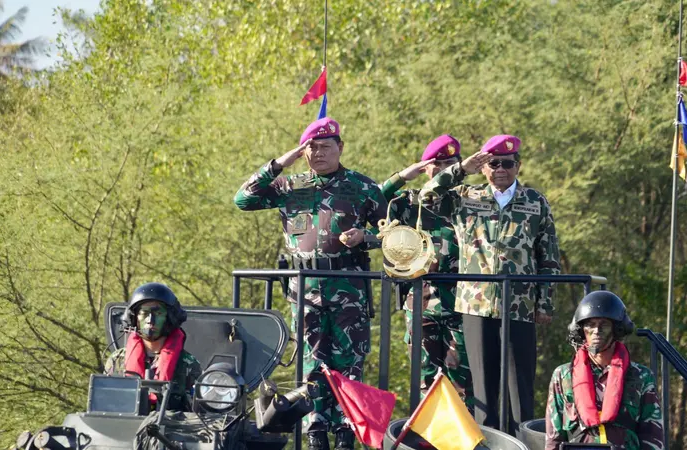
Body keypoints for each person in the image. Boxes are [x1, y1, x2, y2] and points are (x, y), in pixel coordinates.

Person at [234, 117, 386, 450]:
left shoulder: (363, 188)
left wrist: (367, 237)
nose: (318, 153)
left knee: (350, 359)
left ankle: (347, 427)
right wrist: (281, 162)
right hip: (305, 289)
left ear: (340, 148)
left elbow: (396, 234)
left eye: (325, 146)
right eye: (311, 148)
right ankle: (316, 425)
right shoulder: (291, 186)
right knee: (311, 361)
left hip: (349, 288)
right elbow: (243, 199)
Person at [421, 134, 561, 433]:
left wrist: (545, 303)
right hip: (476, 302)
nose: (501, 169)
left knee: (519, 384)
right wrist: (461, 169)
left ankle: (522, 441)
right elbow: (427, 196)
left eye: (507, 164)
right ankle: (490, 442)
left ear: (518, 166)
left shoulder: (535, 201)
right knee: (483, 387)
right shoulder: (466, 196)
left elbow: (548, 255)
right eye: (493, 163)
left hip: (520, 304)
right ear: (484, 167)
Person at [380, 134, 473, 406]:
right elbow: (370, 199)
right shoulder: (409, 203)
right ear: (425, 168)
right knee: (425, 379)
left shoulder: (472, 199)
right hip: (422, 301)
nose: (443, 169)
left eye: (450, 163)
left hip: (464, 301)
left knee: (463, 380)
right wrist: (402, 176)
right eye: (436, 164)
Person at [545, 290, 664, 450]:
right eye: (590, 325)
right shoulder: (563, 376)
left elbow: (652, 436)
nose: (596, 331)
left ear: (617, 329)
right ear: (581, 330)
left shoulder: (641, 377)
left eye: (604, 325)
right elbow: (554, 438)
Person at [105, 282, 202, 412]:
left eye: (158, 313)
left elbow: (197, 415)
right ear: (134, 318)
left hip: (170, 429)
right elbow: (104, 404)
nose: (150, 320)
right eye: (144, 313)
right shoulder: (117, 360)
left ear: (170, 318)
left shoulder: (188, 364)